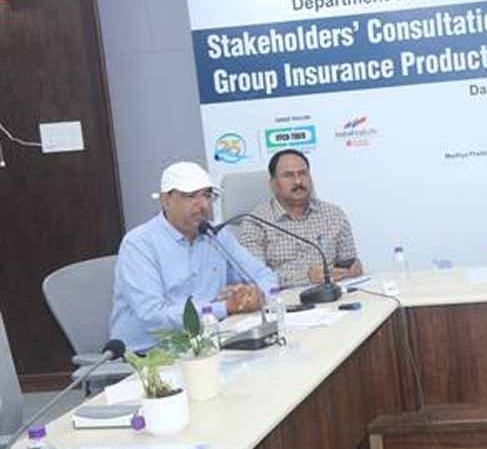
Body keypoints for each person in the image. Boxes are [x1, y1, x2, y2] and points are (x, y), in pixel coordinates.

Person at [110, 162, 277, 352]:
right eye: (191, 196)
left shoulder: (216, 235)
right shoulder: (139, 244)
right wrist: (225, 308)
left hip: (209, 342)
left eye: (207, 195)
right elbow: (154, 317)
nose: (203, 205)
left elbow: (263, 275)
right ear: (166, 200)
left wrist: (256, 294)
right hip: (153, 353)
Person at [240, 149, 363, 288]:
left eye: (303, 173)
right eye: (288, 176)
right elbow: (254, 277)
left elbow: (349, 261)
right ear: (273, 184)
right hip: (285, 298)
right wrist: (306, 277)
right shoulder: (255, 223)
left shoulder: (333, 214)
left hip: (332, 294)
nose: (298, 181)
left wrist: (354, 269)